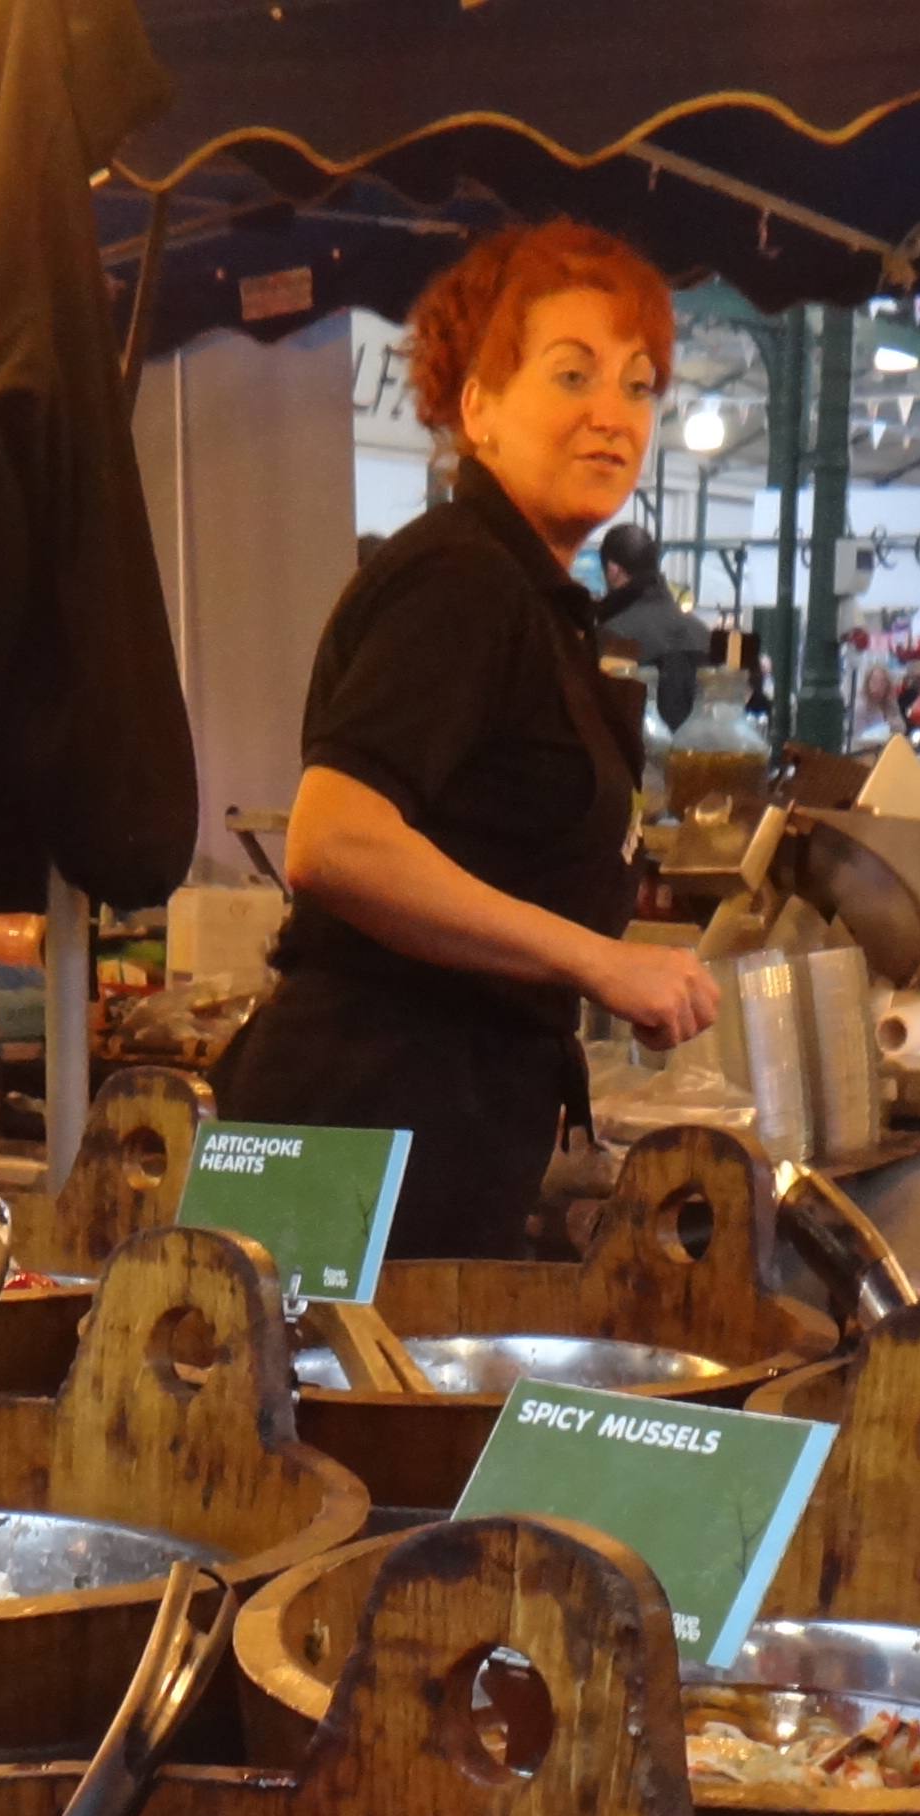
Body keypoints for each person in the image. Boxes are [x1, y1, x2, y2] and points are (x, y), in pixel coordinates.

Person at [208, 221, 720, 1261]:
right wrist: (600, 963)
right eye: (572, 374)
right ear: (477, 407)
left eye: (638, 386)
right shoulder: (462, 578)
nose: (613, 415)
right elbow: (334, 841)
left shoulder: (538, 601)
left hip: (424, 1137)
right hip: (356, 1129)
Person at [591, 519, 710, 733]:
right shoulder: (702, 633)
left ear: (613, 570)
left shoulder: (613, 637)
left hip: (642, 750)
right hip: (698, 750)